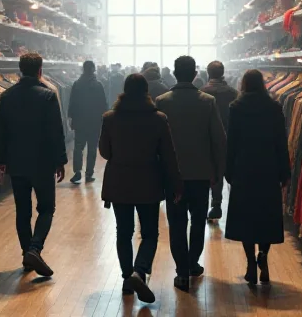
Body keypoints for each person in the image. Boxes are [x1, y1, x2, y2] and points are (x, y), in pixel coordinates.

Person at [100, 73, 182, 304]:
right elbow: (168, 155)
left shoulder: (110, 118)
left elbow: (105, 152)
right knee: (149, 233)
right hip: (149, 181)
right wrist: (176, 183)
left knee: (123, 232)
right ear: (147, 92)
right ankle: (140, 270)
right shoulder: (158, 119)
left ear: (124, 90)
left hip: (119, 181)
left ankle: (127, 279)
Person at [154, 56, 226, 292]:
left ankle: (181, 271)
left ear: (175, 74)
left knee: (176, 223)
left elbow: (155, 141)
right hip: (201, 173)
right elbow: (218, 139)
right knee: (197, 221)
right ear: (195, 74)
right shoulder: (207, 101)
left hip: (172, 174)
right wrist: (217, 171)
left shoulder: (162, 101)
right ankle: (193, 262)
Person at [0, 53, 67, 277]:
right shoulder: (47, 95)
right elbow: (55, 131)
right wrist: (60, 160)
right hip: (42, 162)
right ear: (40, 70)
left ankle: (27, 254)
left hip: (16, 162)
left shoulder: (6, 96)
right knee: (46, 208)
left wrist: (1, 160)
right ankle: (34, 249)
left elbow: (0, 131)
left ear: (20, 69)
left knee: (22, 211)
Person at [223, 69, 290, 286]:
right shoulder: (274, 107)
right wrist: (285, 172)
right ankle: (263, 255)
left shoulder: (236, 107)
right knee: (266, 215)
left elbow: (232, 142)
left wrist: (228, 170)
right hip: (268, 168)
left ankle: (251, 263)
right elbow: (281, 142)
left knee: (246, 217)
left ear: (244, 84)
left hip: (244, 167)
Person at [200, 61, 239, 221]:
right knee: (227, 170)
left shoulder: (202, 93)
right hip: (230, 137)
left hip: (207, 137)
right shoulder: (233, 93)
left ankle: (210, 204)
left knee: (209, 170)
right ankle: (224, 205)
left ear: (208, 73)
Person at [68, 60, 109, 184]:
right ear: (94, 69)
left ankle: (77, 172)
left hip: (80, 122)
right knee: (92, 149)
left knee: (78, 148)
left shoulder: (77, 84)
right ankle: (89, 173)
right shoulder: (98, 85)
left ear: (83, 69)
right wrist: (104, 120)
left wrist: (71, 118)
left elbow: (72, 103)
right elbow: (103, 104)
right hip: (94, 123)